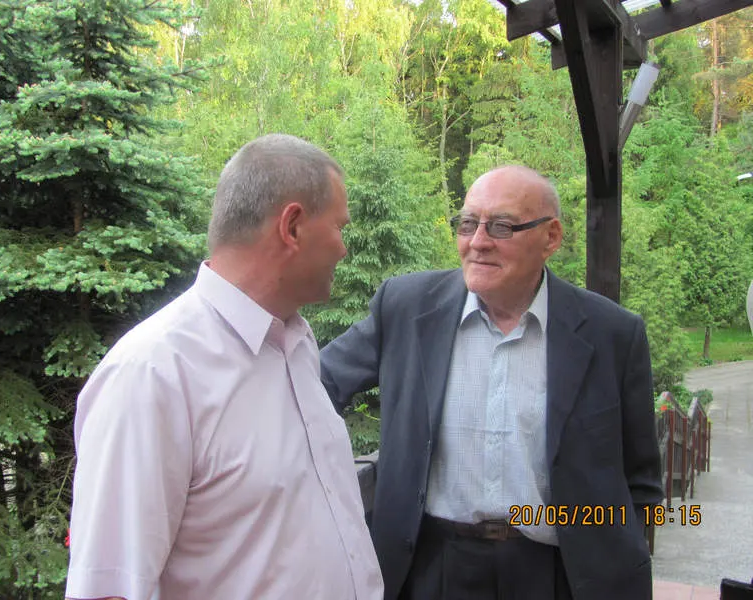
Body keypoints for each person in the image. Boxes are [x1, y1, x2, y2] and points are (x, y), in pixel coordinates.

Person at [320, 165, 663, 600]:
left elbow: (641, 484)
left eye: (501, 226)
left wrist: (613, 556)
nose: (478, 241)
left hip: (561, 574)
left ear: (551, 237)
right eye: (467, 224)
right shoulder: (405, 308)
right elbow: (315, 385)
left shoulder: (612, 334)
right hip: (431, 568)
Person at [66, 134, 384, 600]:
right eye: (339, 227)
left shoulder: (296, 345)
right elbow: (109, 588)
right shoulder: (151, 374)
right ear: (293, 226)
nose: (343, 249)